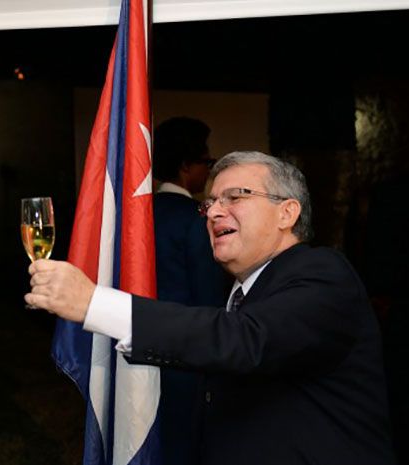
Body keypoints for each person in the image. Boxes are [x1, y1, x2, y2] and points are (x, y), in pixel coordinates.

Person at [27, 151, 394, 465]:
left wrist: (96, 303)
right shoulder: (238, 291)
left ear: (287, 213)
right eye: (210, 202)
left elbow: (246, 341)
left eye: (236, 196)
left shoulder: (324, 274)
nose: (214, 212)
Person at [152, 117, 227, 465]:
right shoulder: (196, 220)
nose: (208, 172)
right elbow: (209, 297)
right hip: (186, 355)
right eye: (207, 163)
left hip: (139, 342)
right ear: (186, 166)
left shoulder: (139, 214)